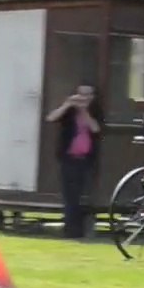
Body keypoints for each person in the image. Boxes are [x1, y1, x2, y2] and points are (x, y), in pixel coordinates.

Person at [46, 83, 104, 239]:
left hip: (86, 160)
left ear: (92, 97)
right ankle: (70, 230)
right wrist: (67, 104)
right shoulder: (69, 111)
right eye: (81, 94)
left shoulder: (95, 111)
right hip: (68, 158)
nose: (84, 98)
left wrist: (84, 111)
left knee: (81, 195)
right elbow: (51, 118)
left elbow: (96, 128)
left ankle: (78, 228)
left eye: (88, 95)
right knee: (69, 195)